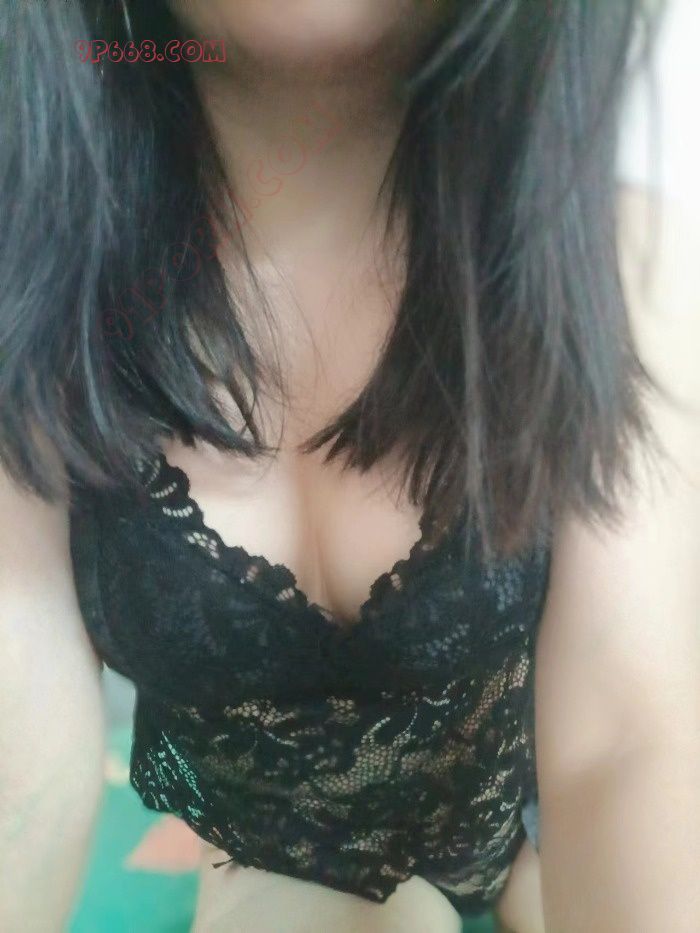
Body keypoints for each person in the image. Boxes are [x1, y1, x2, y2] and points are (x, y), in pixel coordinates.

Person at [1, 1, 698, 931]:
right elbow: (16, 753)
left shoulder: (617, 256)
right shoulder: (32, 275)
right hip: (272, 856)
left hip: (525, 832)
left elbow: (624, 734)